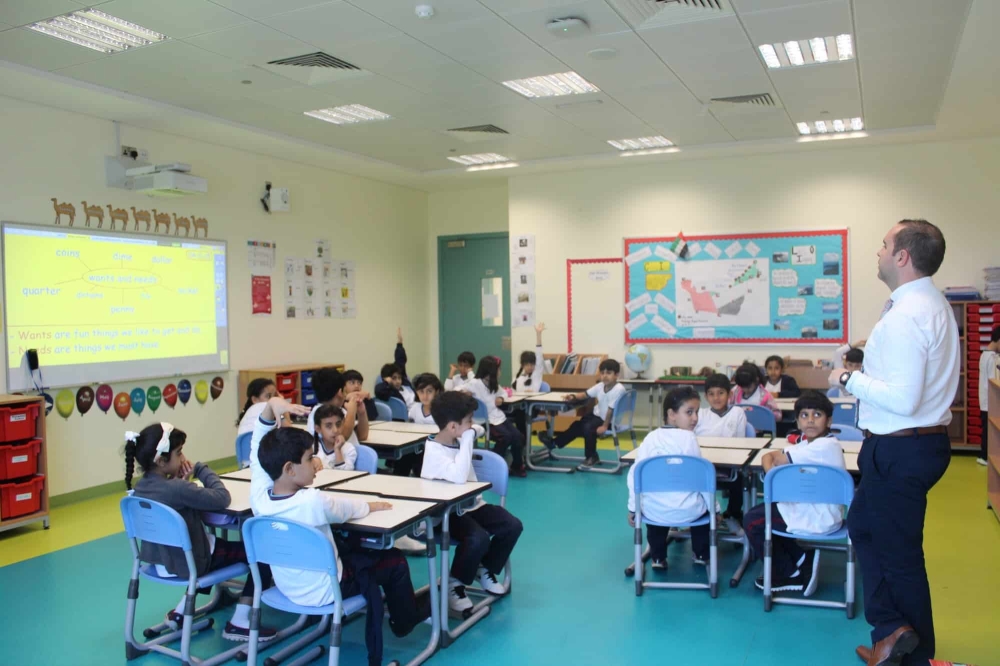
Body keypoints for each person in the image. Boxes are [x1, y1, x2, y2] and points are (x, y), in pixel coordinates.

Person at [829, 219, 958, 666]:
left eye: (884, 245)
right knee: (864, 527)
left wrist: (848, 378)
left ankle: (915, 656)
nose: (878, 252)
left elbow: (903, 399)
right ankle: (891, 630)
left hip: (902, 447)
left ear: (902, 256)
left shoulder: (907, 315)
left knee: (899, 556)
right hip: (907, 445)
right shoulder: (926, 304)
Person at [255, 427, 430, 666]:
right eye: (309, 458)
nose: (316, 463)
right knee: (394, 559)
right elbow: (345, 509)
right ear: (289, 468)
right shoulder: (313, 501)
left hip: (287, 587)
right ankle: (404, 622)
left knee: (353, 551)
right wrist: (370, 505)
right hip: (327, 590)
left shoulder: (260, 502)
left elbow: (258, 463)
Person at [125, 423, 277, 642]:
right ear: (161, 461)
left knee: (211, 547)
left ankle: (180, 611)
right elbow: (221, 498)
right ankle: (240, 621)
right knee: (263, 553)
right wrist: (200, 469)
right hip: (190, 564)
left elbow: (175, 499)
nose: (183, 458)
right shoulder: (177, 489)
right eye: (179, 453)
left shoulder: (140, 488)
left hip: (160, 563)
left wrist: (182, 484)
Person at [421, 391, 523, 613]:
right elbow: (459, 476)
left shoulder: (456, 436)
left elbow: (479, 429)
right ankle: (454, 582)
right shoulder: (435, 452)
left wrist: (470, 431)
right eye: (468, 421)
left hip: (471, 504)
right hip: (447, 513)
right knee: (478, 538)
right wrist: (468, 438)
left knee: (512, 525)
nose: (472, 425)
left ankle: (483, 567)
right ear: (452, 427)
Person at [743, 392, 846, 596]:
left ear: (829, 421)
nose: (810, 420)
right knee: (765, 515)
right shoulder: (809, 444)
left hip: (818, 515)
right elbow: (769, 457)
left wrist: (771, 477)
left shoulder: (823, 446)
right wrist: (772, 473)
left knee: (753, 521)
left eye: (817, 415)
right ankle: (802, 558)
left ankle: (787, 573)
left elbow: (772, 458)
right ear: (798, 421)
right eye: (804, 415)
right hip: (813, 508)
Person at [626, 386, 710, 569]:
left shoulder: (650, 438)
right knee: (704, 510)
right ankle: (701, 554)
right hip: (689, 511)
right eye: (689, 412)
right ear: (671, 414)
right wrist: (715, 509)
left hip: (654, 512)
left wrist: (633, 508)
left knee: (655, 507)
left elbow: (635, 475)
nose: (695, 418)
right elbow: (701, 481)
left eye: (697, 412)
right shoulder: (689, 438)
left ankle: (657, 557)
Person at [538, 359, 627, 469]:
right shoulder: (600, 386)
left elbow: (610, 410)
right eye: (602, 373)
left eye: (608, 373)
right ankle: (554, 443)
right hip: (597, 415)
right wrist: (573, 396)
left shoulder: (619, 389)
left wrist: (604, 426)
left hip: (609, 420)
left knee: (587, 427)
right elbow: (585, 394)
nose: (604, 376)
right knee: (577, 425)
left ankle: (591, 457)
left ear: (616, 375)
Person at [460, 356, 527, 477]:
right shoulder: (475, 383)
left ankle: (517, 466)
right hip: (485, 421)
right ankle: (491, 465)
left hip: (498, 418)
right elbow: (457, 389)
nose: (500, 372)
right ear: (490, 370)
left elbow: (504, 393)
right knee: (505, 437)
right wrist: (464, 393)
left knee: (518, 437)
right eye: (498, 369)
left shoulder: (493, 384)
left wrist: (501, 398)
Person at [695, 373, 748, 524]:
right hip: (703, 465)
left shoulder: (737, 413)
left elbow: (741, 444)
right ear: (705, 397)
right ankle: (699, 515)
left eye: (721, 393)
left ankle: (732, 514)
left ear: (729, 394)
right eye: (711, 394)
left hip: (728, 466)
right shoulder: (700, 414)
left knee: (740, 479)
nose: (716, 398)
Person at [374, 328, 415, 407]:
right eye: (394, 378)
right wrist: (387, 383)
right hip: (408, 413)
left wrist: (399, 344)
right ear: (387, 379)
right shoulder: (390, 392)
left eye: (399, 378)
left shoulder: (404, 383)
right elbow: (378, 391)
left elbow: (400, 361)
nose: (398, 381)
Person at [977, 326, 1000, 466]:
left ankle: (985, 455)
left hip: (985, 400)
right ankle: (985, 456)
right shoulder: (992, 358)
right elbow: (994, 381)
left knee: (987, 429)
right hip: (990, 400)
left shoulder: (985, 355)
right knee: (989, 430)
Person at [312, 403, 356, 471]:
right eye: (328, 426)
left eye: (338, 424)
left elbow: (346, 474)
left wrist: (337, 450)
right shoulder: (310, 448)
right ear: (318, 429)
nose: (335, 430)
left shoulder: (349, 449)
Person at [512, 323, 546, 393]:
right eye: (527, 365)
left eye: (532, 364)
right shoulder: (518, 378)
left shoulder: (536, 374)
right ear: (522, 365)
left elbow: (539, 355)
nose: (530, 367)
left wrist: (538, 334)